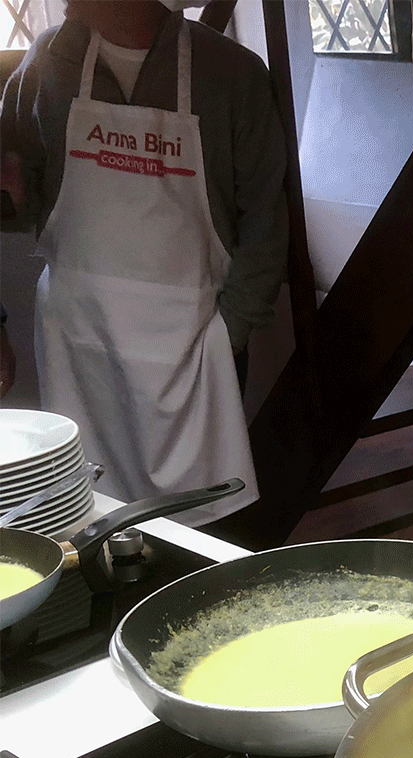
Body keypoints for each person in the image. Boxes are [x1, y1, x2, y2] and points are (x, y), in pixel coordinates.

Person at [0, 0, 287, 523]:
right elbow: (17, 193)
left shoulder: (231, 73)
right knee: (86, 524)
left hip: (195, 355)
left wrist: (231, 332)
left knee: (202, 536)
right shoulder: (47, 63)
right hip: (79, 353)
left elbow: (267, 221)